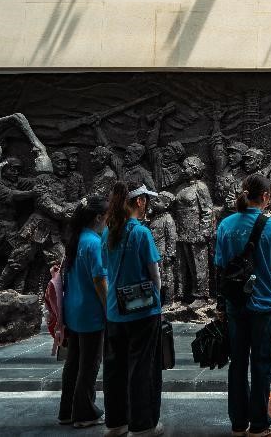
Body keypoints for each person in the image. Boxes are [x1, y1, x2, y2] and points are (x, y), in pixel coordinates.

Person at [214, 173, 271, 437]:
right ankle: (259, 422)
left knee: (237, 362)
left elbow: (220, 266)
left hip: (235, 303)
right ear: (266, 197)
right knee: (261, 362)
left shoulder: (225, 225)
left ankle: (238, 422)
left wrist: (221, 305)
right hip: (263, 301)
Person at [101, 182, 164, 437]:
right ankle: (142, 425)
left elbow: (107, 267)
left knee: (115, 368)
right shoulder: (141, 233)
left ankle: (116, 423)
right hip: (142, 311)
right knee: (143, 367)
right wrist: (155, 298)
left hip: (114, 310)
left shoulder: (108, 231)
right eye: (146, 199)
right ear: (139, 201)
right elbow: (155, 275)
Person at [58, 196, 109, 428]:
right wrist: (109, 308)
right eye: (107, 217)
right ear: (98, 217)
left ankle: (66, 411)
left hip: (73, 311)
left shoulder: (76, 239)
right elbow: (99, 280)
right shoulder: (94, 243)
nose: (108, 221)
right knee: (89, 365)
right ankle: (84, 413)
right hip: (90, 313)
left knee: (73, 363)